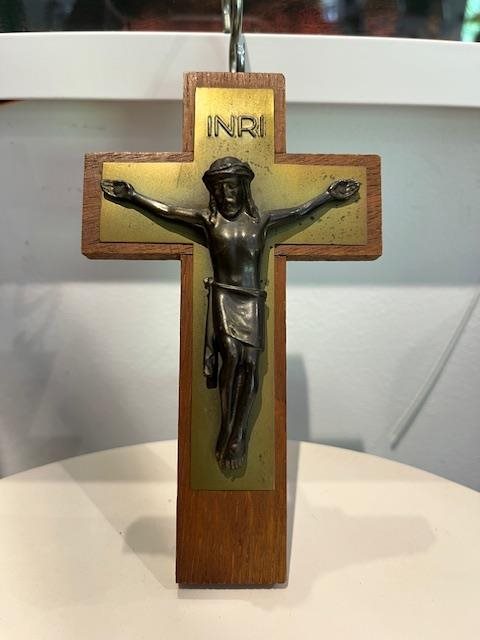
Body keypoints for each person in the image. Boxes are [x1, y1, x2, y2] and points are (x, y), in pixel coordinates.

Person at [101, 157, 359, 470]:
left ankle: (237, 431)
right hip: (224, 295)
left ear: (244, 188)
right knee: (232, 357)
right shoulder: (209, 221)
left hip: (251, 299)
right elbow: (168, 211)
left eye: (232, 187)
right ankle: (227, 427)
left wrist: (328, 196)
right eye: (220, 189)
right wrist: (133, 196)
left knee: (250, 363)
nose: (227, 195)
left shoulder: (260, 221)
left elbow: (298, 212)